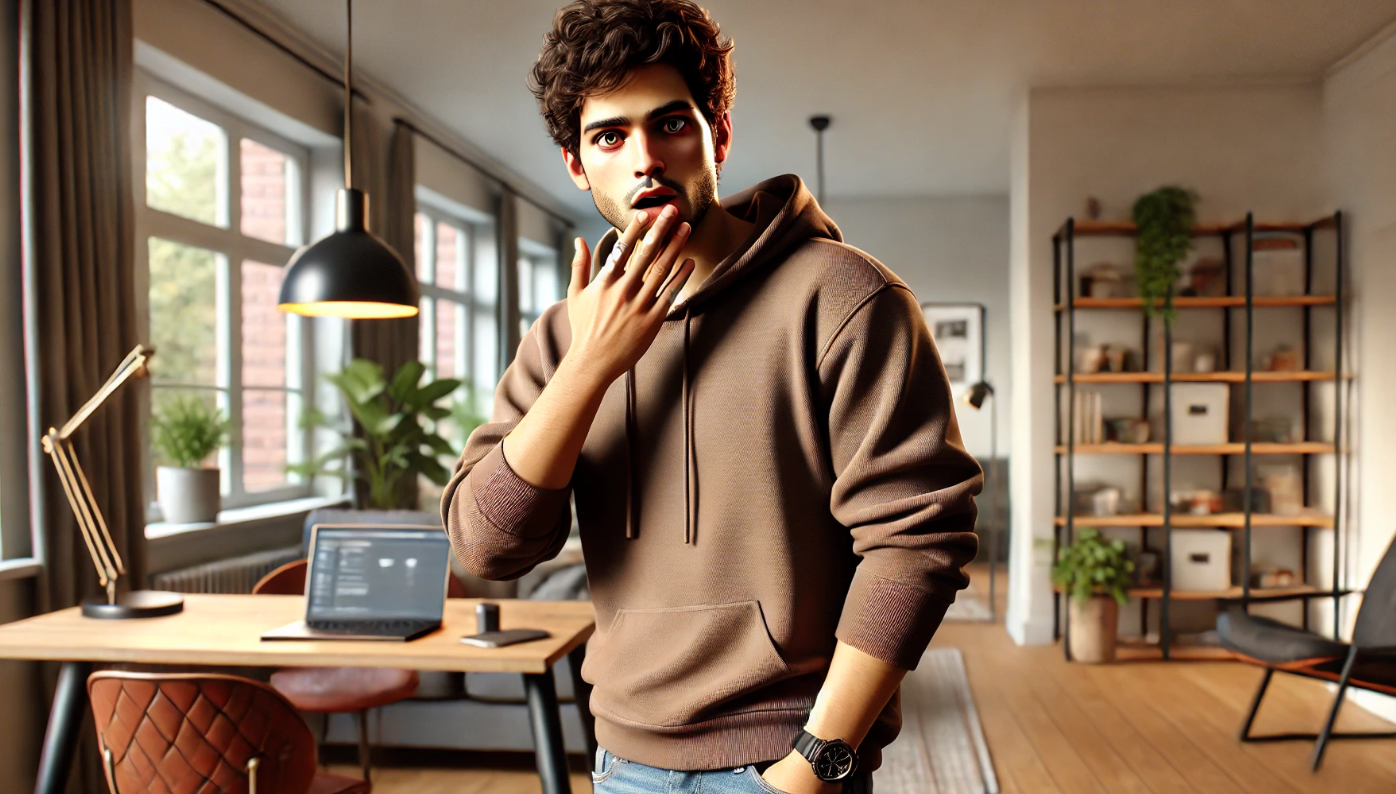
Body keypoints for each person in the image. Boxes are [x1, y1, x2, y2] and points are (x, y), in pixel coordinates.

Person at [441, 1, 982, 792]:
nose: (645, 160)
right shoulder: (563, 336)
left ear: (717, 135)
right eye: (610, 136)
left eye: (671, 124)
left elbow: (917, 542)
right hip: (622, 762)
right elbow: (487, 548)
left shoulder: (844, 298)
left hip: (785, 763)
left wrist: (815, 767)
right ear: (575, 163)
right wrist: (590, 367)